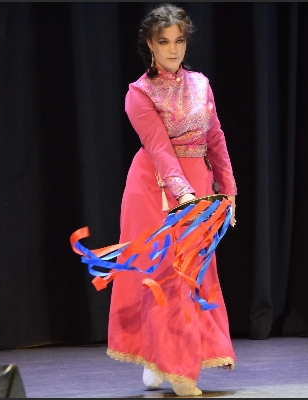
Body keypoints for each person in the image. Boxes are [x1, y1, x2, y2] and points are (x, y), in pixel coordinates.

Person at [108, 4, 237, 396]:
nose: (173, 49)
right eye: (164, 41)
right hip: (156, 191)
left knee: (195, 276)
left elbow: (215, 139)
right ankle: (176, 370)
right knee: (164, 277)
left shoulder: (200, 84)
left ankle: (171, 361)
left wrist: (229, 193)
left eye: (179, 40)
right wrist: (185, 196)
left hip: (199, 186)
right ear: (150, 43)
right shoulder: (139, 93)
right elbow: (160, 150)